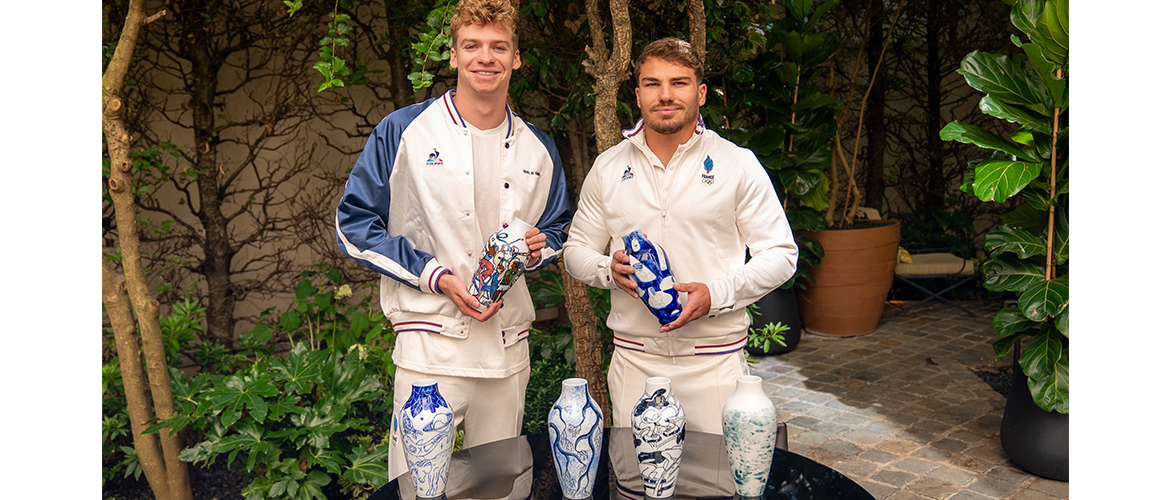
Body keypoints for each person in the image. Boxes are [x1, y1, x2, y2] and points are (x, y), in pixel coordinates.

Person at [334, 0, 571, 479]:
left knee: (499, 487)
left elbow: (558, 228)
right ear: (453, 54)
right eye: (472, 45)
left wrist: (536, 248)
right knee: (415, 486)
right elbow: (354, 223)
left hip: (507, 350)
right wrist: (436, 276)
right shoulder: (403, 131)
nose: (485, 57)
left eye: (498, 47)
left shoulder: (539, 147)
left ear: (516, 58)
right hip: (429, 349)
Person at [562, 37, 798, 434]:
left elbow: (781, 254)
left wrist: (716, 294)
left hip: (715, 364)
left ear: (701, 93)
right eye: (653, 84)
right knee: (635, 475)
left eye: (679, 83)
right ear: (638, 94)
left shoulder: (737, 164)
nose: (666, 94)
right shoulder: (608, 167)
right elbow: (575, 250)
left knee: (716, 475)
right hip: (635, 363)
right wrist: (608, 270)